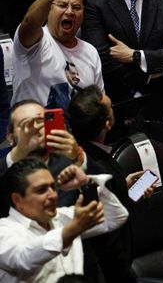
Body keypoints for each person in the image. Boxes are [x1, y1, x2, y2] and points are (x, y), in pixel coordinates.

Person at [68, 86, 152, 283]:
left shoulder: (83, 159)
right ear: (107, 124)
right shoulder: (98, 169)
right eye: (111, 106)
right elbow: (110, 243)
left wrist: (123, 187)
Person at [0, 159, 129, 282]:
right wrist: (70, 231)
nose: (53, 195)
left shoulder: (63, 217)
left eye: (52, 187)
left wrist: (87, 182)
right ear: (17, 199)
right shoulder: (4, 231)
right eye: (41, 190)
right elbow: (23, 258)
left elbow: (116, 217)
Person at [11, 0, 102, 111]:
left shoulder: (90, 52)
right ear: (49, 9)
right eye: (62, 5)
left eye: (77, 7)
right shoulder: (37, 41)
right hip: (35, 130)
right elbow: (30, 22)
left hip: (76, 131)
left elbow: (99, 101)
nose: (70, 12)